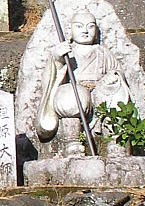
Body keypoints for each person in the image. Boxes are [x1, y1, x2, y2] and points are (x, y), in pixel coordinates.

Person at [35, 9, 130, 156]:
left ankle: (114, 141)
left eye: (90, 26)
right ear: (70, 30)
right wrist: (58, 60)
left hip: (100, 93)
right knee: (70, 96)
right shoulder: (68, 52)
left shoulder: (102, 52)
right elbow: (52, 78)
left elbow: (117, 71)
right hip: (78, 95)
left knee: (116, 91)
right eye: (79, 26)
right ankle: (72, 141)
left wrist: (113, 77)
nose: (85, 31)